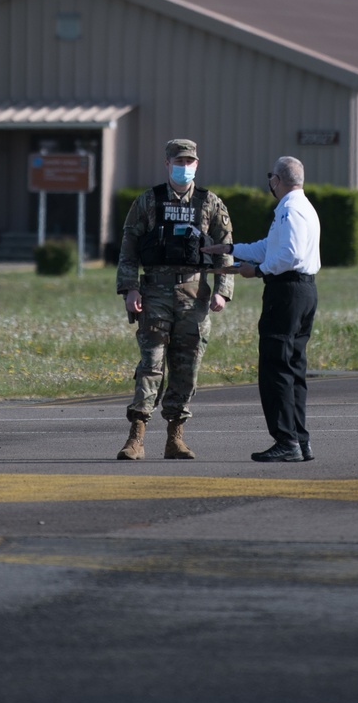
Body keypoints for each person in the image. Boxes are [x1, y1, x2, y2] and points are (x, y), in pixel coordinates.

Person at [115, 138, 234, 461]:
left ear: (197, 164)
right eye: (178, 162)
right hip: (154, 292)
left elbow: (225, 247)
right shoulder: (147, 201)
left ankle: (175, 438)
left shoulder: (210, 203)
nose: (184, 167)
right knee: (151, 364)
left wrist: (223, 290)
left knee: (187, 366)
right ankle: (136, 437)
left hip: (194, 295)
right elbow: (129, 248)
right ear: (167, 164)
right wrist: (130, 289)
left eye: (189, 162)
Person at [206, 154, 320, 463]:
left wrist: (258, 271)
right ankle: (299, 439)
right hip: (303, 290)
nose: (270, 183)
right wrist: (231, 249)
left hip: (286, 291)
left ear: (277, 180)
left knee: (276, 368)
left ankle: (286, 441)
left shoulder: (289, 210)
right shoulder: (301, 207)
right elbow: (268, 248)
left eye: (271, 178)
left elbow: (288, 255)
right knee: (293, 367)